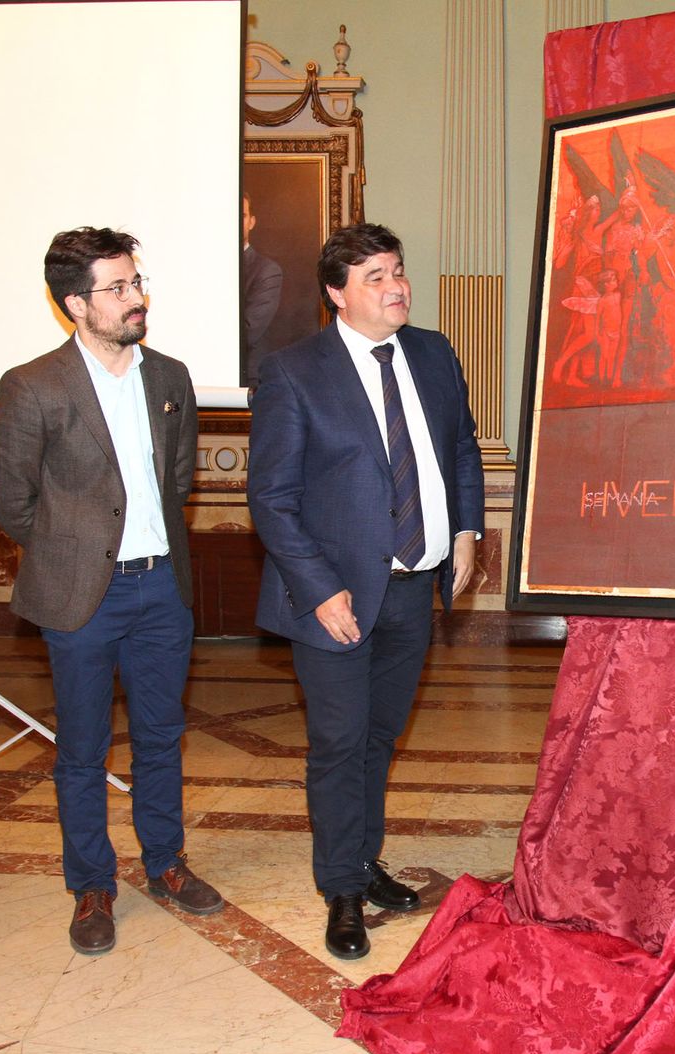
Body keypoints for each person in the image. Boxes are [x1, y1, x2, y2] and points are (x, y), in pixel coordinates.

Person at [248, 222, 485, 961]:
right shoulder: (294, 371)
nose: (396, 286)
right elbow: (272, 499)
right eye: (376, 276)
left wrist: (470, 532)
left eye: (399, 270)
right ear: (336, 294)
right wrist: (320, 590)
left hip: (415, 587)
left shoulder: (435, 352)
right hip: (336, 599)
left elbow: (461, 447)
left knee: (380, 738)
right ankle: (341, 890)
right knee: (339, 742)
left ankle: (362, 857)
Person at [0, 227, 223, 957]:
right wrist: (75, 552)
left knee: (160, 736)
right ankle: (92, 884)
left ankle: (166, 863)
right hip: (80, 597)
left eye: (136, 283)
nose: (136, 299)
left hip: (161, 590)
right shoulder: (32, 385)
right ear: (75, 305)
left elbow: (177, 480)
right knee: (82, 749)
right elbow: (11, 503)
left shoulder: (170, 378)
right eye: (118, 288)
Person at [241, 194, 284, 390]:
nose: (234, 221)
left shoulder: (266, 270)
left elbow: (248, 331)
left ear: (251, 222)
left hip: (247, 382)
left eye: (241, 215)